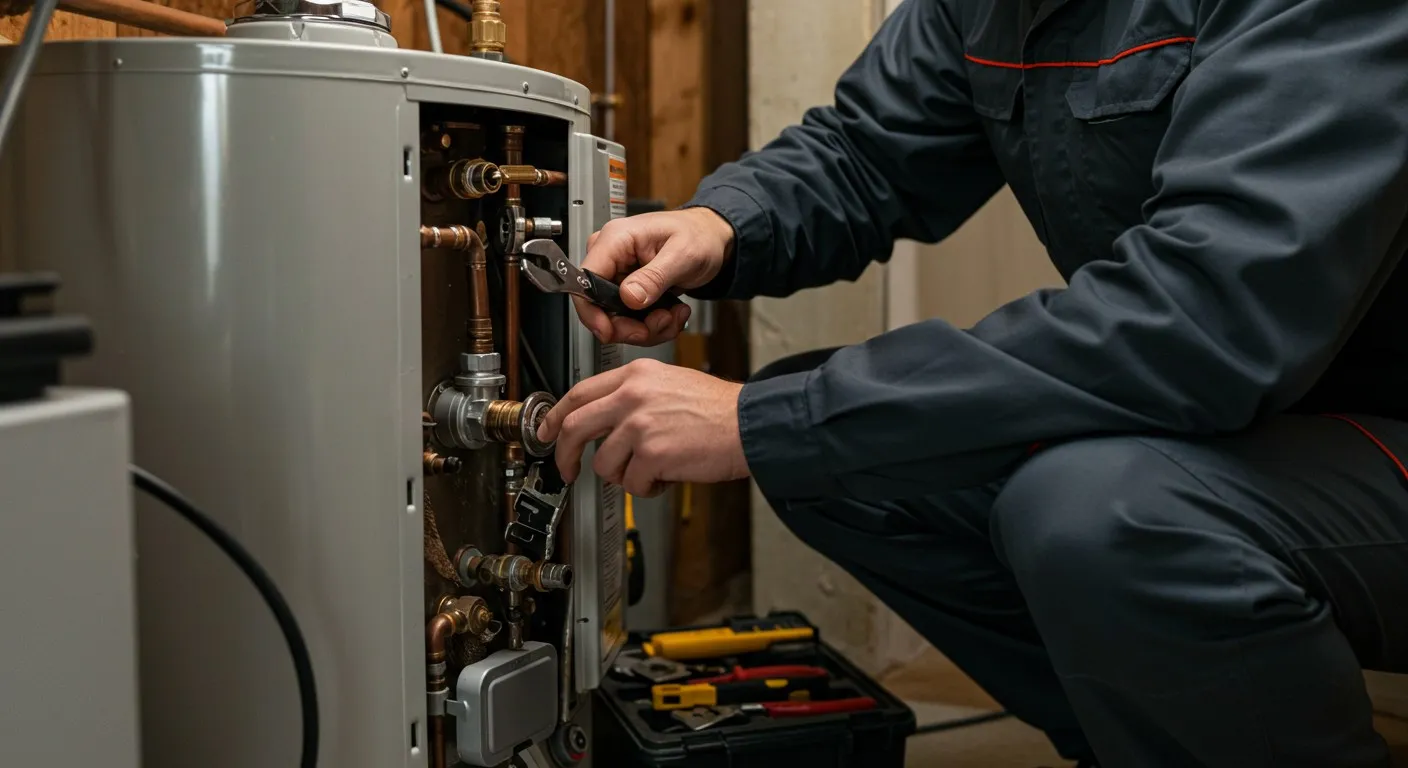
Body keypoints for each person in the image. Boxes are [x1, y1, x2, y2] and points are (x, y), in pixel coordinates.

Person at [537, 0, 1408, 765]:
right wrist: (720, 223)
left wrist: (762, 420)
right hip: (1242, 409)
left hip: (1373, 429)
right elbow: (865, 153)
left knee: (1099, 510)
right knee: (843, 464)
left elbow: (1207, 317)